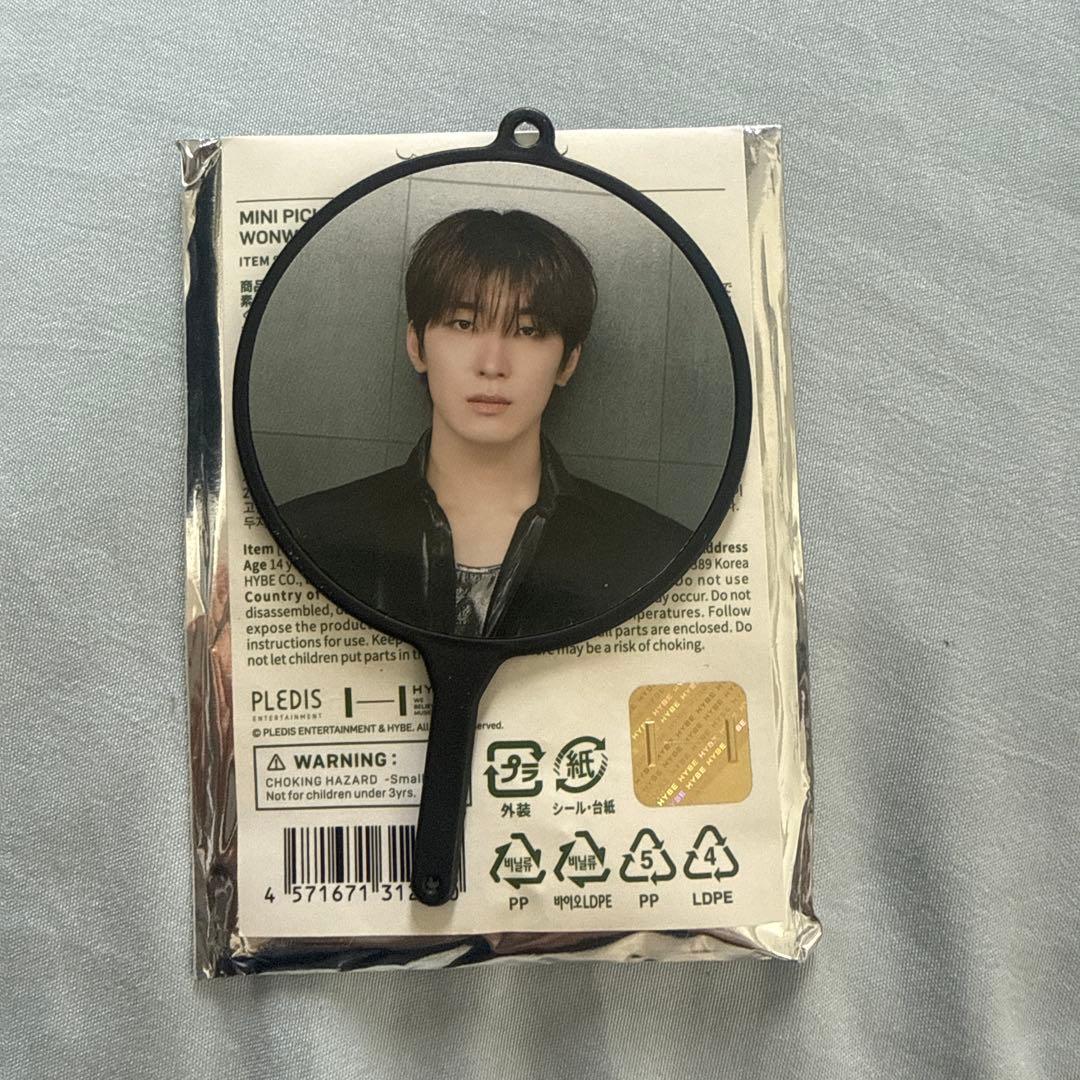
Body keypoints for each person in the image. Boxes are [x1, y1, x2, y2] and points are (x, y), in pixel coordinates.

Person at [280, 208, 691, 638]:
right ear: (417, 345)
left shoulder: (653, 552)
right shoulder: (312, 534)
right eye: (464, 324)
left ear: (568, 361)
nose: (492, 365)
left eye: (528, 330)